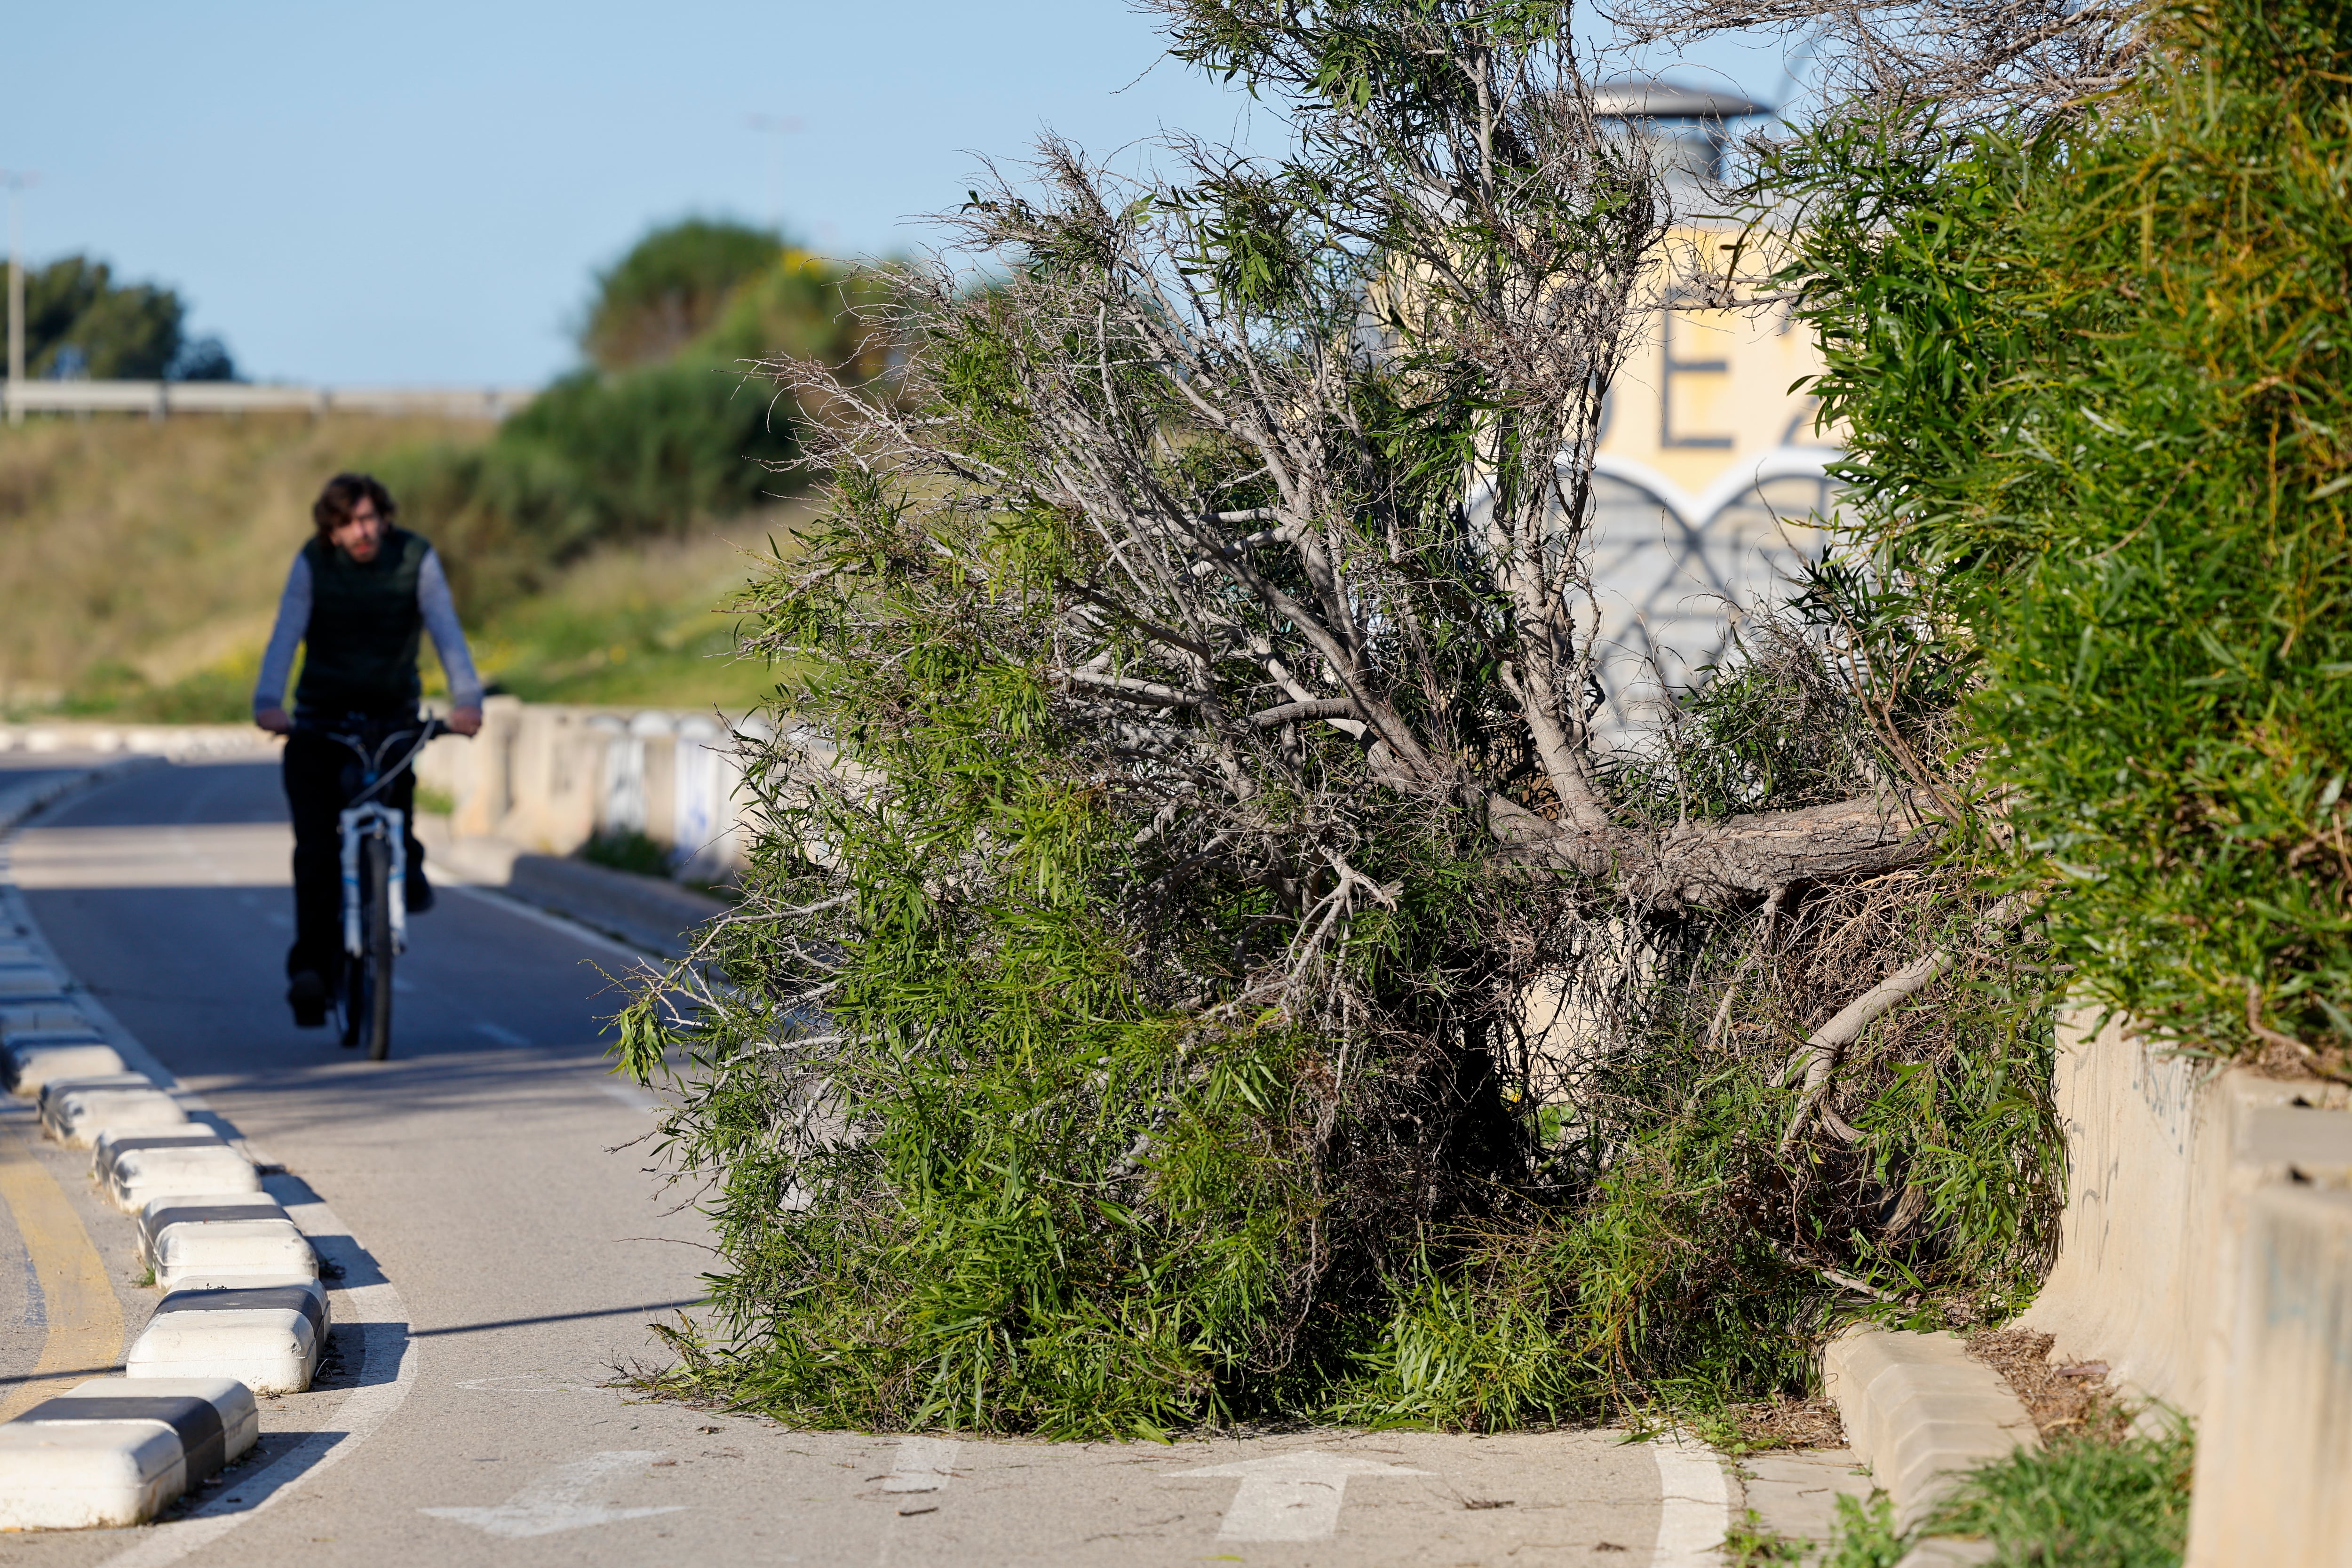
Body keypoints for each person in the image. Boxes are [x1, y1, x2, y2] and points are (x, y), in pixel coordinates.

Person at [253, 473, 484, 1030]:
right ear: (330, 530)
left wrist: (467, 699)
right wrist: (269, 700)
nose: (363, 531)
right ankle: (309, 971)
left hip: (391, 718)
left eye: (370, 518)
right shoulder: (312, 563)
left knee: (397, 821)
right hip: (319, 723)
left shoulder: (415, 557)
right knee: (315, 851)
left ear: (385, 517)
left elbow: (445, 628)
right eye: (349, 522)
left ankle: (408, 864)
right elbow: (287, 631)